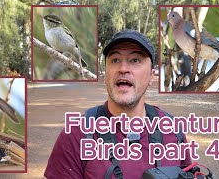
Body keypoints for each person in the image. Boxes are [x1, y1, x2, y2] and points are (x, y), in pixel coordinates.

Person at [44, 30, 192, 179]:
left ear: (151, 76)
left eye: (135, 60)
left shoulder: (171, 128)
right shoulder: (76, 134)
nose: (123, 69)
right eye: (115, 60)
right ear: (106, 73)